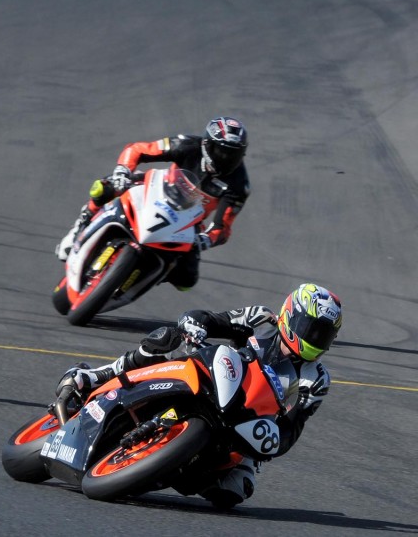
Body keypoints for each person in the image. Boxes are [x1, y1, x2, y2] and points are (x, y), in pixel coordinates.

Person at [55, 283, 342, 508]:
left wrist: (272, 439)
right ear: (289, 316)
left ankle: (170, 464)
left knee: (233, 492)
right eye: (310, 329)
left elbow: (292, 429)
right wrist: (196, 324)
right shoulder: (261, 319)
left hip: (245, 422)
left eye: (323, 335)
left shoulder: (315, 379)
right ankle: (100, 376)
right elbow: (214, 320)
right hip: (216, 378)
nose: (315, 339)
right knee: (169, 339)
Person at [55, 116, 249, 291]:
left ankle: (154, 273)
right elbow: (137, 150)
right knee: (103, 188)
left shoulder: (240, 185)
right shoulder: (186, 145)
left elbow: (222, 227)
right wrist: (123, 170)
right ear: (207, 144)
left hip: (190, 220)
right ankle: (82, 223)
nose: (226, 158)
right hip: (157, 189)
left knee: (186, 280)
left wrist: (206, 239)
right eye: (221, 151)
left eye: (234, 154)